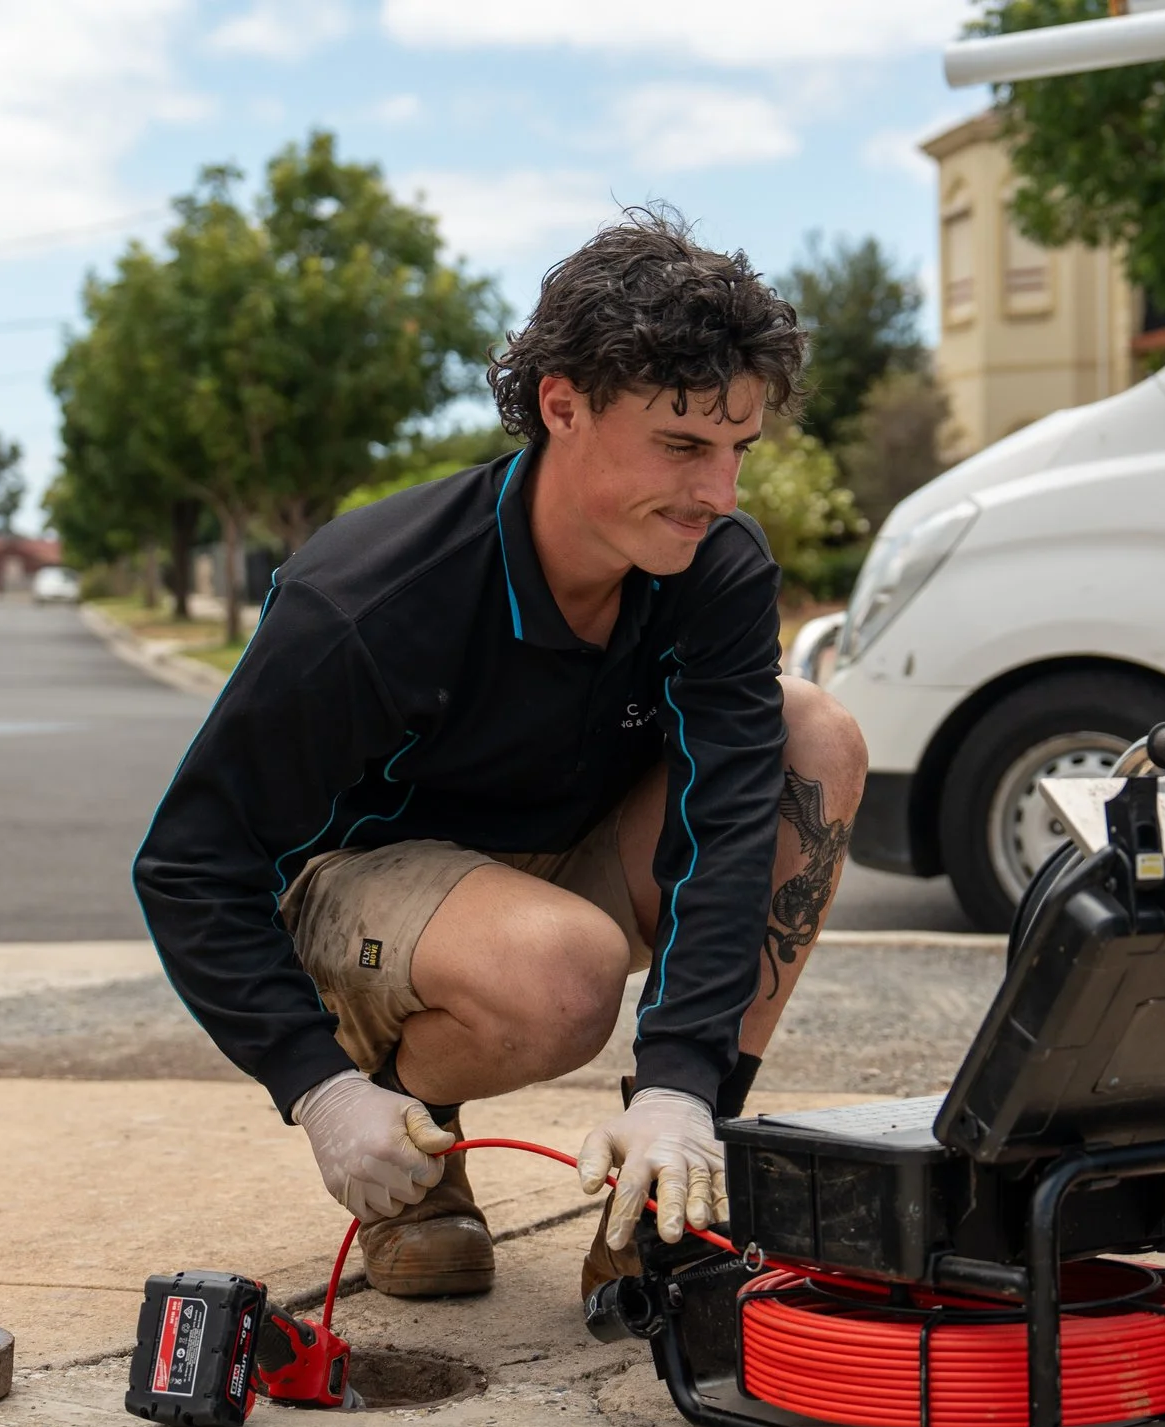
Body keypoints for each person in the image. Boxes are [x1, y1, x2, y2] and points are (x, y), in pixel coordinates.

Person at [134, 209, 868, 1302]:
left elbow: (724, 828)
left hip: (552, 869)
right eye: (681, 445)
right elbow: (190, 863)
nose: (719, 492)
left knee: (813, 734)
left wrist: (680, 1087)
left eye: (736, 450)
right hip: (367, 904)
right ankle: (413, 1133)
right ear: (562, 403)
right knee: (559, 971)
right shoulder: (368, 600)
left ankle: (671, 1185)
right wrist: (319, 1087)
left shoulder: (711, 564)